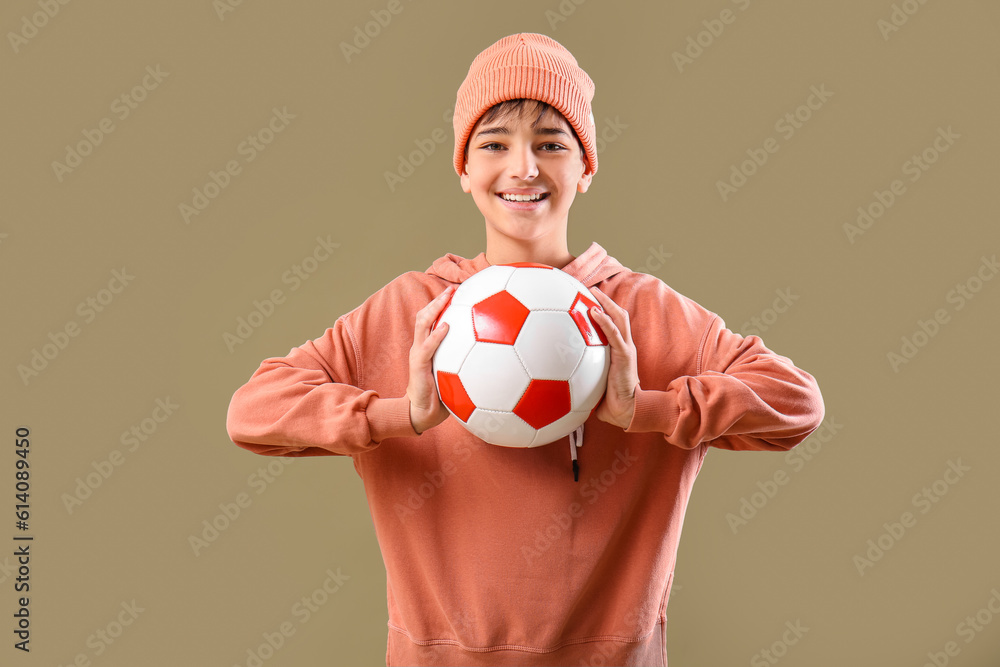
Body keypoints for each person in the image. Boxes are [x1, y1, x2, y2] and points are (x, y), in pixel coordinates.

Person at [226, 32, 825, 667]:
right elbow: (251, 413)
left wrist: (643, 408)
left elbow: (797, 403)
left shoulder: (640, 311)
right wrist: (401, 415)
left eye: (551, 144)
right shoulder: (414, 311)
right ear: (463, 169)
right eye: (493, 144)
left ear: (586, 168)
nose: (524, 168)